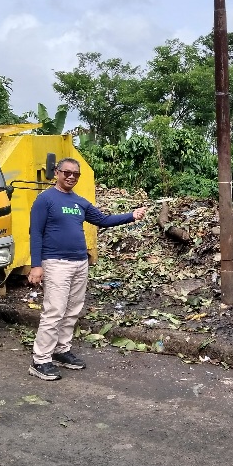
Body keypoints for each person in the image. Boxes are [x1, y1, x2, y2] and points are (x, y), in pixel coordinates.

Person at [27, 157, 146, 381]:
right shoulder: (45, 200)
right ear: (57, 173)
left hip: (80, 263)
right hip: (56, 263)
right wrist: (36, 265)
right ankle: (40, 359)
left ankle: (61, 350)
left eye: (75, 174)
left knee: (72, 309)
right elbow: (36, 233)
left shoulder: (79, 202)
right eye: (67, 172)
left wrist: (131, 216)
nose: (71, 177)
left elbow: (103, 220)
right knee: (54, 311)